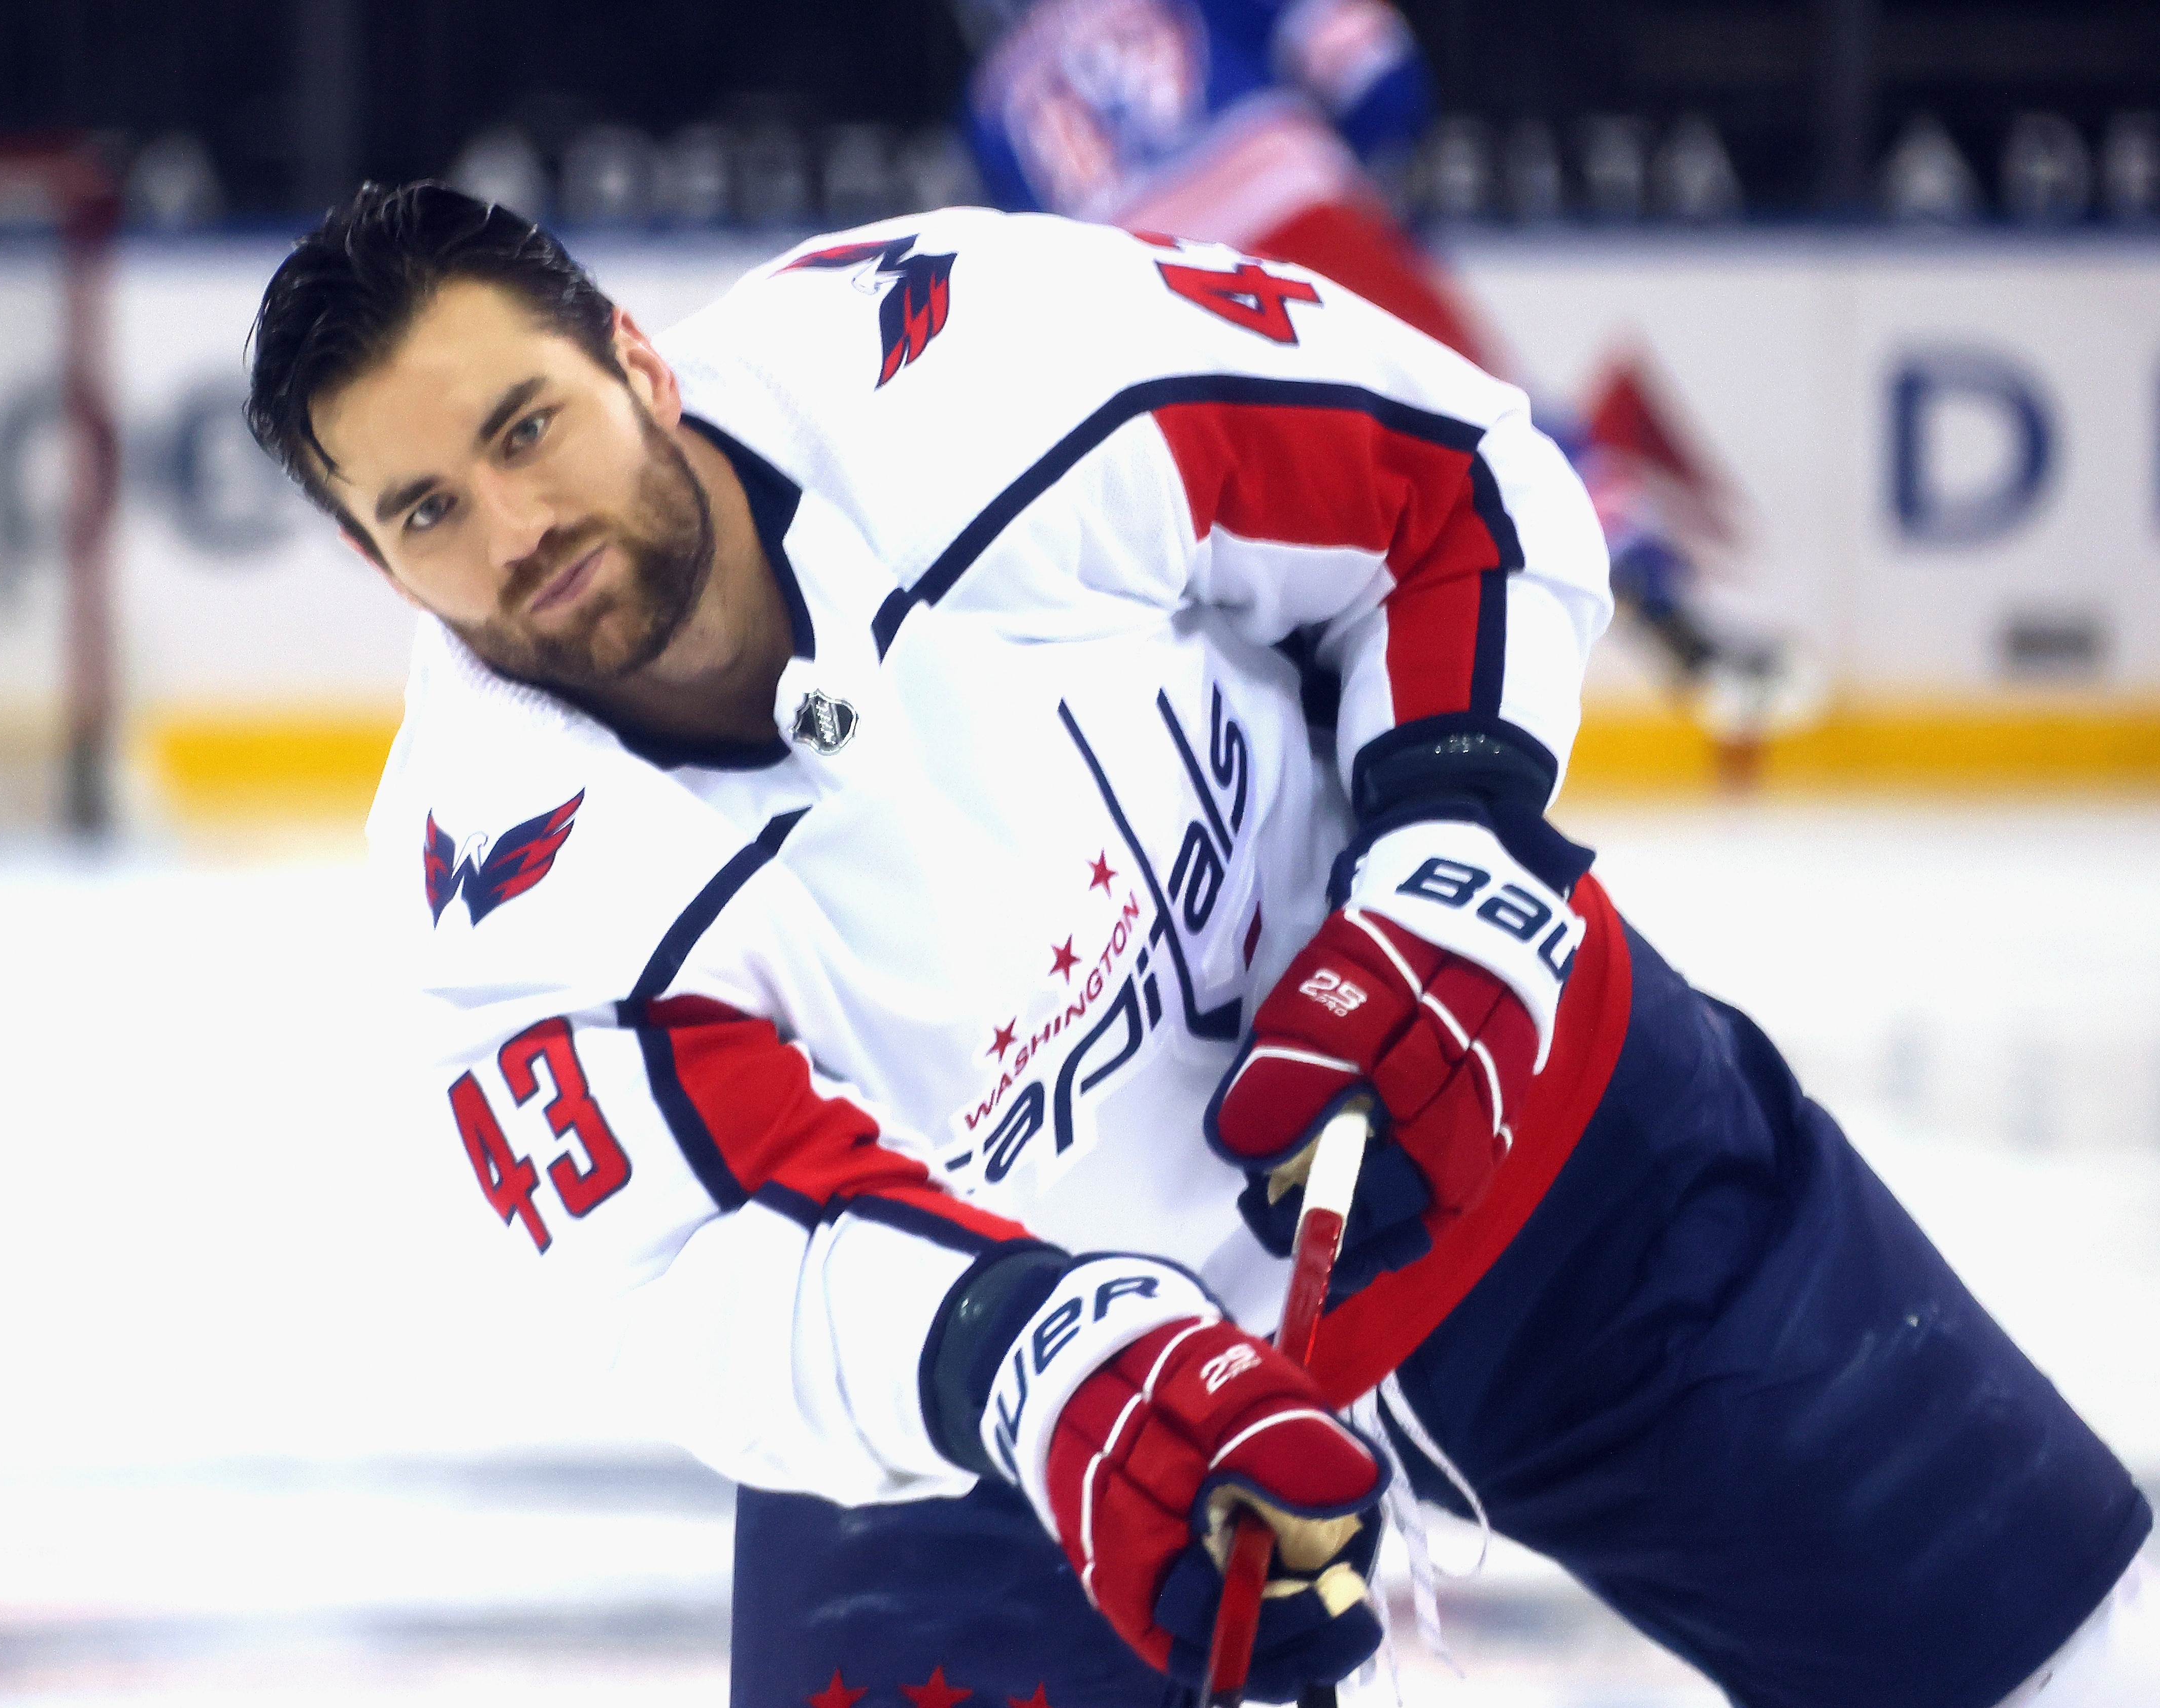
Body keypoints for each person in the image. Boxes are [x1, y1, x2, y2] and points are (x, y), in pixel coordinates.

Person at [243, 185, 2151, 1708]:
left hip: (1513, 1134)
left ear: (637, 362)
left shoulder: (971, 361)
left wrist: (1450, 857)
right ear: (377, 563)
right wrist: (1044, 1367)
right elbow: (709, 1279)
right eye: (430, 507)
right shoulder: (506, 898)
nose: (517, 524)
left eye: (526, 427)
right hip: (1038, 1445)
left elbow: (1448, 493)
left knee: (2051, 1659)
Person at [956, 0, 1819, 767]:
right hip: (1299, 217)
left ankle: (1295, 744)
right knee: (1488, 428)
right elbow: (1376, 71)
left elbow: (1045, 265)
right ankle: (1669, 609)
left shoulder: (994, 97)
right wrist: (1359, 167)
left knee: (1265, 535)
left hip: (1158, 297)